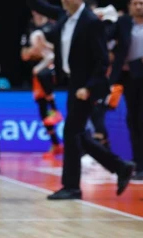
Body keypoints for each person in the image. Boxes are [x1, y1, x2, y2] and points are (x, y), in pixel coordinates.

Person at [26, 0, 134, 200]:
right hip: (72, 81)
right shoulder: (63, 15)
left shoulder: (91, 21)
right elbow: (38, 6)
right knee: (77, 133)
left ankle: (72, 186)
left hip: (85, 85)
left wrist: (89, 87)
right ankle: (120, 166)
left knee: (71, 132)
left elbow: (102, 60)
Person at [107, 0, 143, 180]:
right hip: (129, 76)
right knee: (133, 120)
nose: (138, 7)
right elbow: (106, 37)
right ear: (129, 6)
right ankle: (138, 163)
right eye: (135, 3)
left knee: (141, 119)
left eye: (142, 3)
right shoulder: (123, 23)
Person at [21, 10, 63, 159]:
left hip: (52, 70)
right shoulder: (29, 29)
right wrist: (35, 50)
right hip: (38, 72)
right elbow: (25, 55)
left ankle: (56, 110)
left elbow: (60, 50)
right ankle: (56, 144)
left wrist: (44, 46)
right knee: (42, 111)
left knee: (44, 76)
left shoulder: (53, 27)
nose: (37, 13)